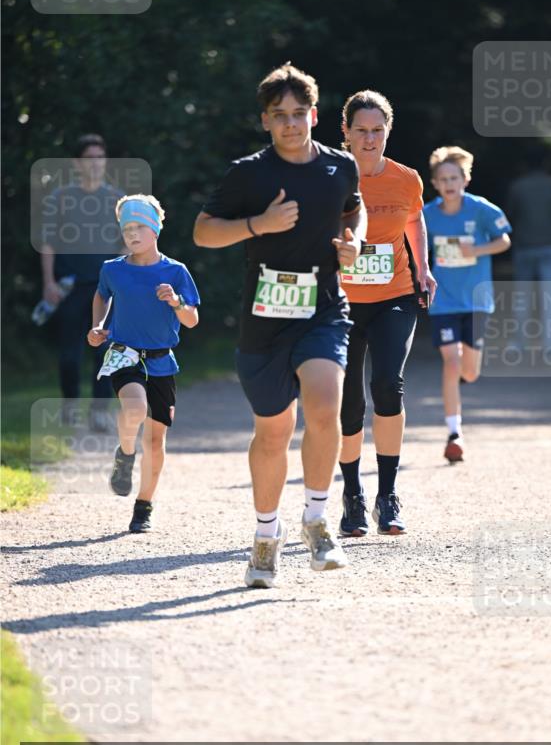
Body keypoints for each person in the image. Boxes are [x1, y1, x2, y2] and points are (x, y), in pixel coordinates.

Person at [194, 63, 366, 589]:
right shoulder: (249, 173)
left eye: (299, 114)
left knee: (324, 404)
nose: (291, 124)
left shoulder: (340, 167)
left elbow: (352, 212)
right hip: (264, 319)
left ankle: (316, 521)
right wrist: (258, 225)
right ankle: (266, 536)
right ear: (265, 121)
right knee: (273, 432)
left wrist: (353, 240)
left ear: (314, 114)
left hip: (322, 309)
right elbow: (203, 233)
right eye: (279, 116)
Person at [337, 90, 436, 537]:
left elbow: (414, 221)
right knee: (348, 401)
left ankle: (388, 495)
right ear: (346, 132)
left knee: (387, 385)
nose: (370, 138)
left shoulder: (407, 179)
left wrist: (425, 269)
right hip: (340, 302)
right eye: (361, 130)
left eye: (378, 130)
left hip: (395, 295)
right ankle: (353, 496)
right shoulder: (330, 177)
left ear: (388, 131)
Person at [87, 194, 200, 532]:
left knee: (155, 441)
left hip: (162, 362)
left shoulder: (175, 271)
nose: (132, 234)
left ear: (155, 230)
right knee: (134, 408)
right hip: (125, 354)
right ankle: (124, 454)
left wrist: (175, 301)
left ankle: (144, 506)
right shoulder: (113, 269)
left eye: (139, 227)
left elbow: (192, 319)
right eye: (127, 229)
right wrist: (99, 325)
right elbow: (101, 295)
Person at [423, 146, 511, 462]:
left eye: (454, 178)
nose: (449, 184)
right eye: (443, 179)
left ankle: (464, 373)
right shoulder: (427, 215)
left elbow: (504, 240)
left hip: (476, 301)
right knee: (451, 362)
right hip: (443, 301)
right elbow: (417, 249)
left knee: (469, 372)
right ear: (434, 183)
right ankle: (454, 433)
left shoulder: (481, 210)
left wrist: (478, 250)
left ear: (465, 179)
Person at [40, 134, 125, 430]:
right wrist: (48, 283)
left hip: (105, 289)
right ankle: (70, 406)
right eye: (89, 159)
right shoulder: (60, 198)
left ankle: (100, 413)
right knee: (69, 355)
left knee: (106, 352)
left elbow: (125, 244)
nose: (95, 165)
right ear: (77, 163)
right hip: (68, 288)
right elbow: (48, 243)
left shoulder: (117, 200)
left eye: (100, 158)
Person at [505, 147, 551, 349]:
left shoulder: (518, 187)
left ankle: (518, 343)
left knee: (522, 296)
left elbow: (509, 218)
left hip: (524, 247)